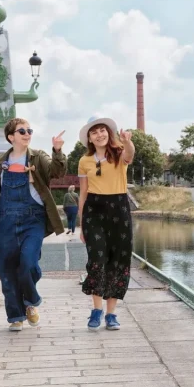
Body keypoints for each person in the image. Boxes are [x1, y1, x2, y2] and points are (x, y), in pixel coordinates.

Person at [0, 118, 67, 331]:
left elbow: (56, 172)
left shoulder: (39, 158)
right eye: (22, 131)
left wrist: (57, 151)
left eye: (29, 130)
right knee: (7, 271)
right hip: (4, 221)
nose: (27, 133)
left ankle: (30, 301)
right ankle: (16, 316)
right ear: (11, 136)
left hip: (33, 219)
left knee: (29, 263)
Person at [76, 115, 135, 330]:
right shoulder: (84, 161)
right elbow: (83, 193)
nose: (99, 134)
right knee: (97, 258)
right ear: (90, 138)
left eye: (102, 130)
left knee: (118, 260)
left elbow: (130, 154)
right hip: (94, 210)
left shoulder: (119, 154)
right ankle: (96, 309)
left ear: (108, 133)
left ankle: (111, 314)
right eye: (94, 132)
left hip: (119, 209)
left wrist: (127, 141)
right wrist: (82, 224)